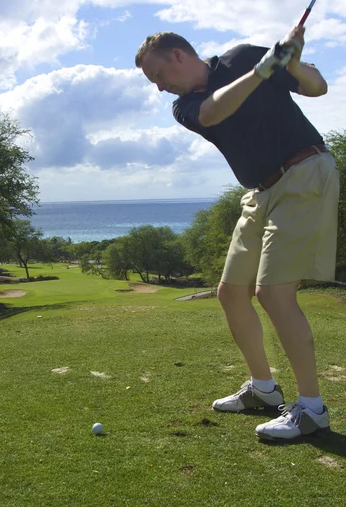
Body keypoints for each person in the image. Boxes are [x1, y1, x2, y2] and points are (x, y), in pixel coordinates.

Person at [135, 26, 339, 441]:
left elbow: (317, 87)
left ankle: (312, 409)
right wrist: (263, 72)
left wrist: (292, 60)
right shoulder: (186, 105)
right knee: (231, 292)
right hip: (259, 192)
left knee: (273, 293)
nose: (159, 88)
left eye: (158, 76)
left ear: (178, 56)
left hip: (304, 172)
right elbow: (214, 111)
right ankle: (264, 390)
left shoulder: (243, 56)